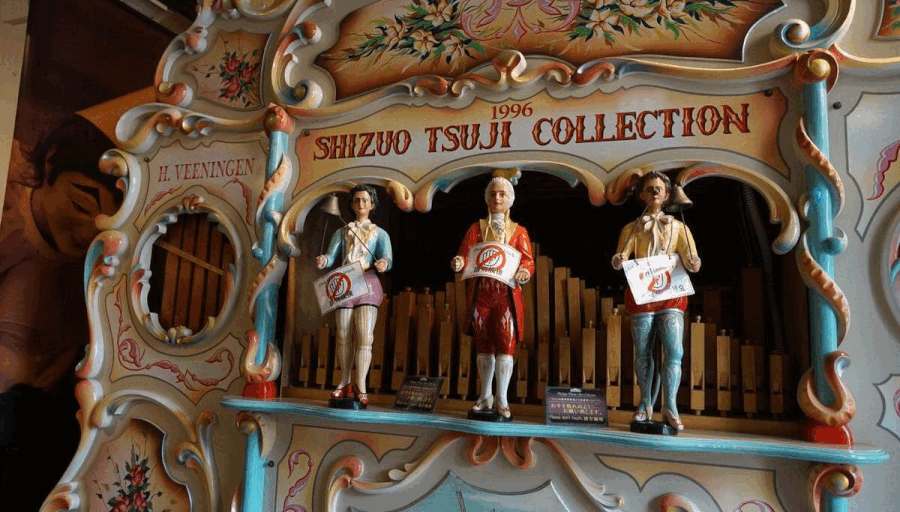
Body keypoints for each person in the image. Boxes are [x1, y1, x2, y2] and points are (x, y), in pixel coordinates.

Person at [0, 115, 123, 507]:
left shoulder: (89, 270)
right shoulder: (11, 216)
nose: (87, 233)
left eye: (100, 226)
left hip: (32, 412)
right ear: (51, 165)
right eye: (80, 205)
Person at [611, 171, 701, 431]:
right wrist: (618, 260)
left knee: (674, 351)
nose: (654, 192)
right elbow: (622, 254)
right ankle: (645, 403)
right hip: (643, 292)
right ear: (642, 194)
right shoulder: (631, 228)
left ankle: (670, 405)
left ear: (667, 194)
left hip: (671, 292)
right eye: (649, 189)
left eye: (659, 188)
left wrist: (694, 262)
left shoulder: (679, 227)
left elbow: (691, 256)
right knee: (642, 351)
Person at [451, 171, 534, 421]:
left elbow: (528, 261)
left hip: (505, 295)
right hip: (481, 293)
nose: (497, 198)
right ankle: (485, 395)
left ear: (510, 199)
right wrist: (459, 262)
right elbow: (464, 255)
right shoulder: (475, 229)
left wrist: (524, 271)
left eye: (502, 194)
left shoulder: (519, 232)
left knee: (506, 344)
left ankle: (502, 398)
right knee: (483, 345)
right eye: (493, 194)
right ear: (487, 199)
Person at [316, 184, 392, 406]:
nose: (360, 204)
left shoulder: (380, 233)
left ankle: (361, 384)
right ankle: (344, 381)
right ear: (352, 204)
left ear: (372, 205)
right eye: (357, 200)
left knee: (365, 336)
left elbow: (387, 257)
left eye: (365, 200)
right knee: (343, 335)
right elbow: (331, 256)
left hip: (367, 282)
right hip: (345, 283)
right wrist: (324, 260)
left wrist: (383, 263)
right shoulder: (342, 232)